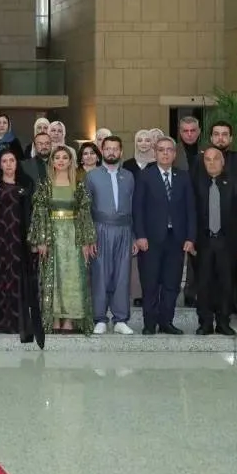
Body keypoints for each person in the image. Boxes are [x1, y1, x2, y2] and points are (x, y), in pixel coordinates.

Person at [133, 137, 196, 334]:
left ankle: (166, 322)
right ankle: (150, 323)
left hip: (176, 239)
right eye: (161, 150)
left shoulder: (183, 176)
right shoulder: (145, 175)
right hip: (150, 240)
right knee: (150, 283)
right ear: (155, 153)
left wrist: (190, 237)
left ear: (175, 154)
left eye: (170, 150)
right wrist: (140, 235)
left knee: (172, 283)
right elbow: (138, 208)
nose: (166, 153)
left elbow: (190, 209)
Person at [29, 145, 94, 334]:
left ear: (70, 161)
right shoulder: (44, 185)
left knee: (72, 278)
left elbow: (84, 213)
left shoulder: (78, 184)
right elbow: (39, 213)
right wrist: (41, 239)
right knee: (53, 277)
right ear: (52, 162)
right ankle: (55, 318)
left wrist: (86, 241)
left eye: (65, 157)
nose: (61, 161)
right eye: (57, 157)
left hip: (73, 236)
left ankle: (70, 320)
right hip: (52, 236)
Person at [84, 136, 137, 335]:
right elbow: (85, 209)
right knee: (100, 274)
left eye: (115, 149)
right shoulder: (92, 176)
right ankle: (99, 318)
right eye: (108, 149)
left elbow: (134, 208)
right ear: (102, 151)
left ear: (121, 152)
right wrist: (89, 237)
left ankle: (120, 319)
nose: (112, 152)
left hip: (124, 229)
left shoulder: (129, 176)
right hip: (100, 228)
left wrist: (133, 236)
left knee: (122, 275)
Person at [192, 146, 237, 336]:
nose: (212, 162)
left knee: (226, 283)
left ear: (223, 162)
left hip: (227, 242)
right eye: (208, 159)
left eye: (216, 159)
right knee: (204, 284)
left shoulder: (235, 183)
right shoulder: (196, 184)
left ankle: (223, 321)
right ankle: (205, 322)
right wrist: (191, 240)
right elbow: (191, 215)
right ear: (203, 162)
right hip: (203, 243)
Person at [0, 149, 38, 345]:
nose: (8, 164)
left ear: (17, 163)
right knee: (0, 280)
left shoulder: (27, 184)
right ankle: (1, 322)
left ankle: (18, 322)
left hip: (20, 240)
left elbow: (33, 213)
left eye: (12, 160)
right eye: (4, 161)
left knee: (18, 280)